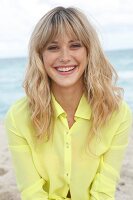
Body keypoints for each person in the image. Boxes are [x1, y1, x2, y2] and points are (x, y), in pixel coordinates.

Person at [5, 6, 132, 200]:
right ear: (40, 55)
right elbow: (31, 192)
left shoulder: (117, 113)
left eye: (75, 45)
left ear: (90, 51)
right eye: (53, 47)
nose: (65, 57)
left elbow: (104, 191)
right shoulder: (18, 117)